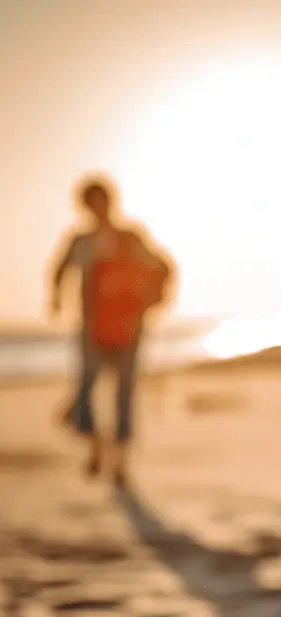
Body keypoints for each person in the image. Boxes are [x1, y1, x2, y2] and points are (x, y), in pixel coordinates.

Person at [49, 176, 173, 487]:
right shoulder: (80, 240)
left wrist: (153, 300)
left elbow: (163, 267)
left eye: (100, 200)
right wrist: (55, 299)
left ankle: (119, 463)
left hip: (129, 327)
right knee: (85, 390)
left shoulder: (130, 237)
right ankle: (96, 446)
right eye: (90, 202)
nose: (96, 208)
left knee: (124, 394)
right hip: (91, 328)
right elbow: (58, 270)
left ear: (110, 201)